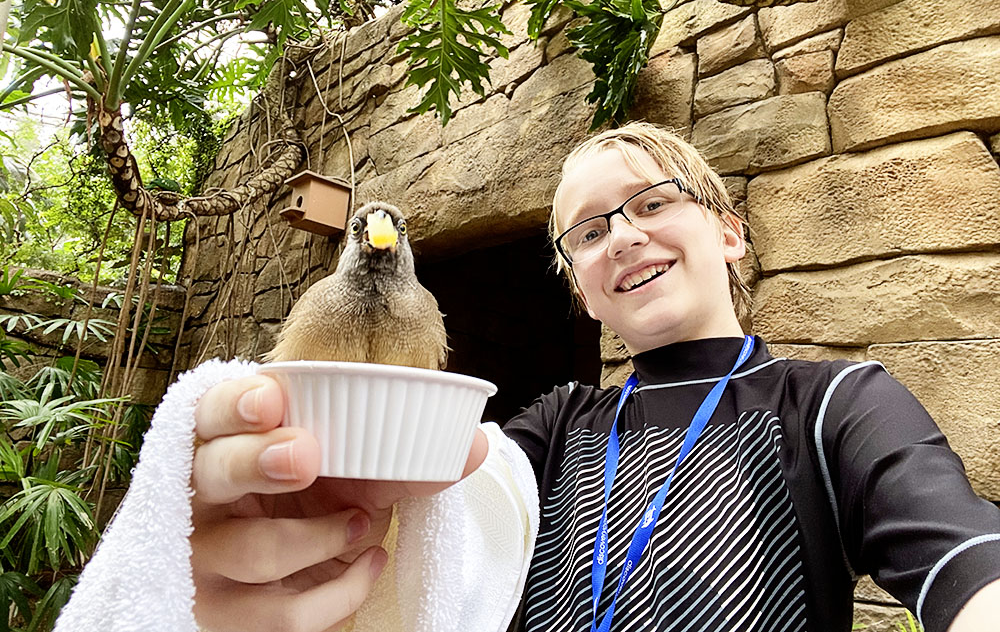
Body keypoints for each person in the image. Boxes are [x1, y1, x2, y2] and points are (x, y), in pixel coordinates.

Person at [190, 122, 1000, 632]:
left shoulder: (834, 405)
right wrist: (295, 526)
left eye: (650, 204)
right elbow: (425, 549)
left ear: (729, 234)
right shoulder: (553, 429)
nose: (620, 236)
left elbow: (971, 566)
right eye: (587, 229)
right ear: (580, 287)